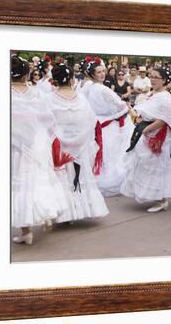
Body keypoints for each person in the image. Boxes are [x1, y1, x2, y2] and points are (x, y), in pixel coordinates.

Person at [10, 55, 69, 245]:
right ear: (27, 73)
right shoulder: (36, 93)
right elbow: (49, 119)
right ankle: (46, 214)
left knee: (20, 185)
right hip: (36, 144)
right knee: (38, 181)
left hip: (15, 146)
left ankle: (26, 230)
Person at [45, 63, 110, 223]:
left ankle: (67, 214)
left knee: (63, 177)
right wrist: (81, 138)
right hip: (79, 144)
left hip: (59, 146)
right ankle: (81, 210)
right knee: (80, 175)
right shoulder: (80, 98)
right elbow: (90, 120)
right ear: (72, 79)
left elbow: (45, 123)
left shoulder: (48, 99)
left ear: (54, 80)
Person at [121, 68, 171, 211]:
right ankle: (153, 195)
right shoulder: (152, 94)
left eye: (156, 77)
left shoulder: (166, 97)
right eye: (151, 77)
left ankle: (162, 199)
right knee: (145, 164)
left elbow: (163, 120)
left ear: (164, 80)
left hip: (158, 135)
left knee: (157, 165)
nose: (153, 79)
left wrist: (145, 130)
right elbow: (144, 112)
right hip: (147, 131)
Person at [85, 57, 134, 196]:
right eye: (98, 72)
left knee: (106, 154)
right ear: (92, 74)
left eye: (103, 71)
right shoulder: (102, 89)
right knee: (114, 154)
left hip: (99, 124)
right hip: (110, 125)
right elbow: (120, 105)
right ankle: (113, 180)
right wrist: (128, 108)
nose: (102, 74)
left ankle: (101, 178)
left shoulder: (89, 87)